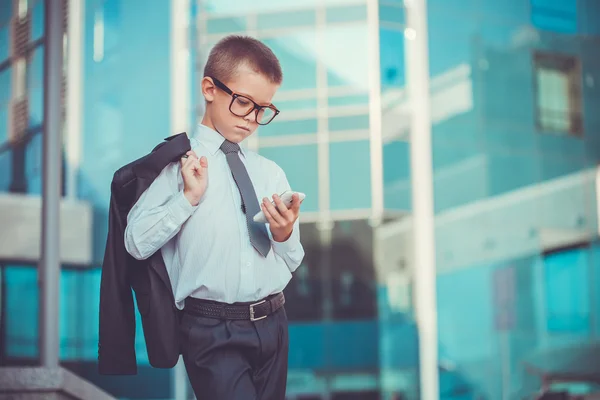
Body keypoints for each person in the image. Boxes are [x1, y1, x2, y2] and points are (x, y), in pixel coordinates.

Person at [124, 35, 305, 400]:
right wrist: (188, 199)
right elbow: (135, 242)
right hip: (211, 328)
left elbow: (292, 260)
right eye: (243, 103)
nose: (252, 119)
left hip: (274, 322)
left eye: (263, 109)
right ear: (210, 88)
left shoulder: (269, 172)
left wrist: (284, 234)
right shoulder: (176, 165)